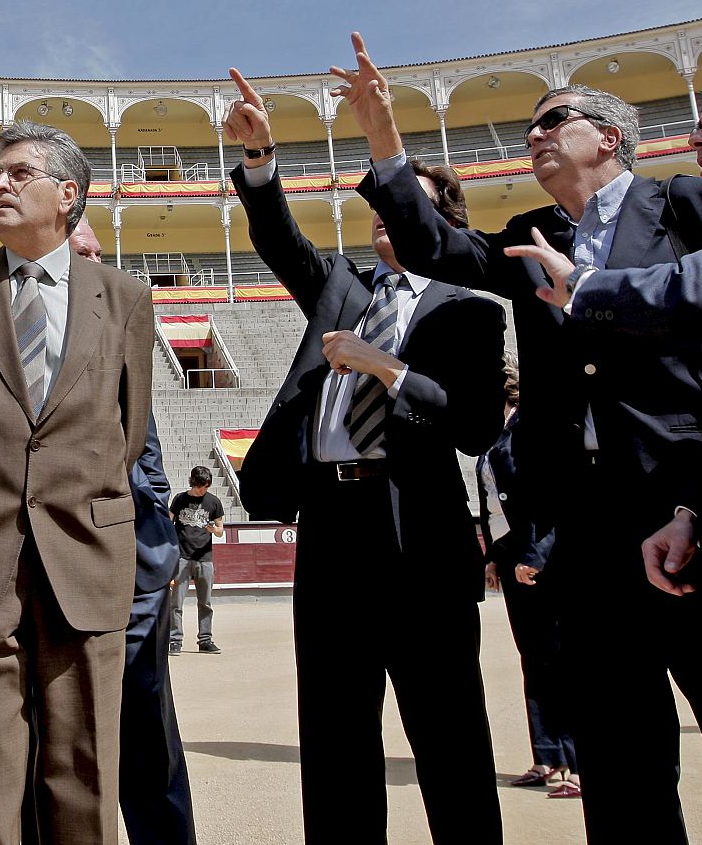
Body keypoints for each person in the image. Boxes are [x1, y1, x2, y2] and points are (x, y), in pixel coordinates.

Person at [343, 32, 702, 843]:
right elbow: (433, 246)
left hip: (686, 501)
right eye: (530, 126)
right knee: (617, 743)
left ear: (608, 136)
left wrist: (700, 494)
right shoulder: (533, 233)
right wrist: (384, 137)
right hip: (584, 521)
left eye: (552, 120)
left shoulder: (685, 205)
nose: (533, 135)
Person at [509, 67, 702, 831]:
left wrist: (586, 289)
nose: (697, 135)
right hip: (656, 516)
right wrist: (695, 509)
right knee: (630, 750)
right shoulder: (542, 233)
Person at [225, 68, 507, 843]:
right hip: (331, 525)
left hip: (420, 526)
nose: (381, 212)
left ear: (436, 218)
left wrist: (388, 368)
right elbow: (280, 241)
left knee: (448, 731)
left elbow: (476, 426)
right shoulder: (342, 288)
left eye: (399, 200)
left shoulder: (472, 311)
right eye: (377, 204)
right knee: (335, 733)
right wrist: (260, 162)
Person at [0, 121, 155, 845]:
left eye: (18, 174)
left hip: (85, 553)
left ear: (67, 194)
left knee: (86, 768)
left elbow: (128, 432)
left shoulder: (126, 298)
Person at [68, 217, 196, 845]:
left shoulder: (120, 323)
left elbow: (147, 444)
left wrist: (159, 527)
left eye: (100, 252)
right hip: (52, 564)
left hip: (134, 561)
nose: (97, 261)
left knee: (146, 729)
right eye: (82, 252)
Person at [476, 364, 578, 798]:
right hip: (511, 558)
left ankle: (578, 765)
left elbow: (545, 500)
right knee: (534, 659)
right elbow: (493, 504)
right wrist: (494, 557)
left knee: (560, 659)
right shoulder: (492, 434)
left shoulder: (529, 427)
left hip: (541, 560)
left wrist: (532, 556)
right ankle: (548, 756)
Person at [168, 469, 224, 657]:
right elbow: (169, 523)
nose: (203, 490)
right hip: (182, 557)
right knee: (176, 602)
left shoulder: (213, 502)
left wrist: (214, 530)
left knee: (205, 602)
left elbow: (220, 531)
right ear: (193, 482)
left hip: (205, 557)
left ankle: (205, 640)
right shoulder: (179, 499)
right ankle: (175, 640)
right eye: (200, 486)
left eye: (206, 487)